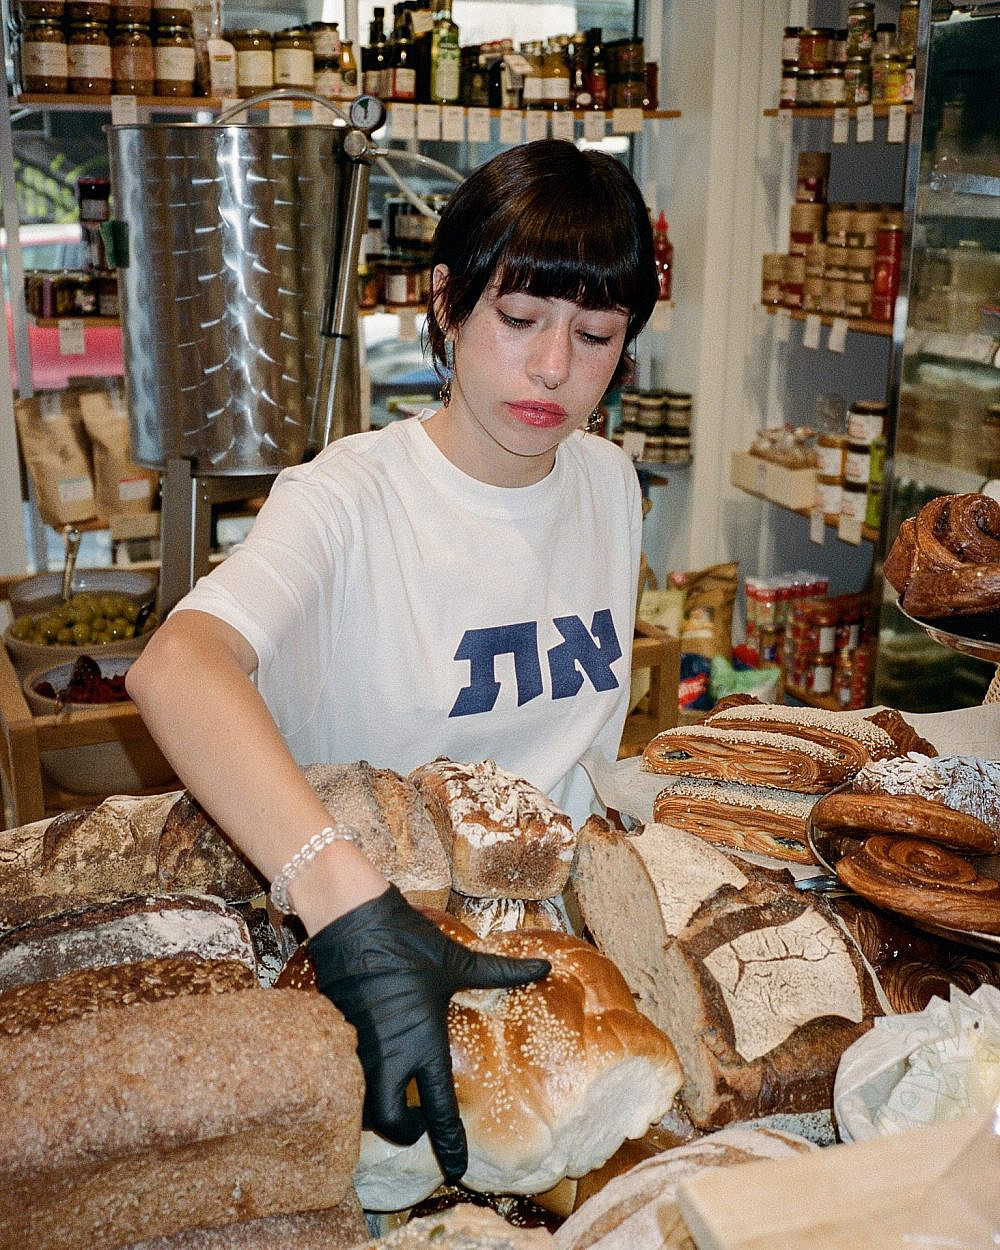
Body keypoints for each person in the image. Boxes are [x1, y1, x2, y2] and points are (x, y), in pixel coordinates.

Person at [126, 137, 658, 1184]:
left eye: (594, 335)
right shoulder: (345, 498)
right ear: (445, 304)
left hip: (549, 972)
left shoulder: (606, 483)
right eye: (517, 320)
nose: (553, 367)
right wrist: (347, 906)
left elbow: (583, 756)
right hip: (367, 958)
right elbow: (177, 668)